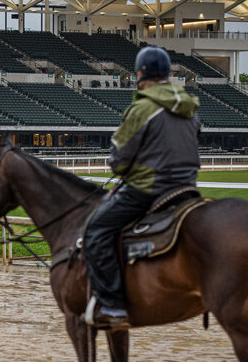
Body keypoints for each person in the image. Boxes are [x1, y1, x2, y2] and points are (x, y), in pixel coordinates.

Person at [83, 45, 200, 329]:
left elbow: (119, 158)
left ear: (140, 74)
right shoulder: (190, 108)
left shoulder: (143, 107)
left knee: (95, 230)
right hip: (186, 188)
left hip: (149, 189)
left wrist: (123, 168)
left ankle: (112, 307)